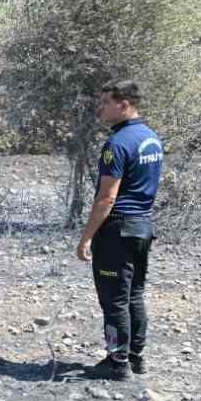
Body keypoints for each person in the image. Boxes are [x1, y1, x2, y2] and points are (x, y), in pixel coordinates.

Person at [76, 79, 164, 381]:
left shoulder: (117, 144)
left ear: (123, 104)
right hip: (142, 226)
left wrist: (86, 237)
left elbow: (107, 197)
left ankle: (118, 362)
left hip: (117, 230)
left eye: (105, 103)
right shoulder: (150, 138)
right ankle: (136, 357)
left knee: (114, 299)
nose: (101, 109)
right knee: (134, 294)